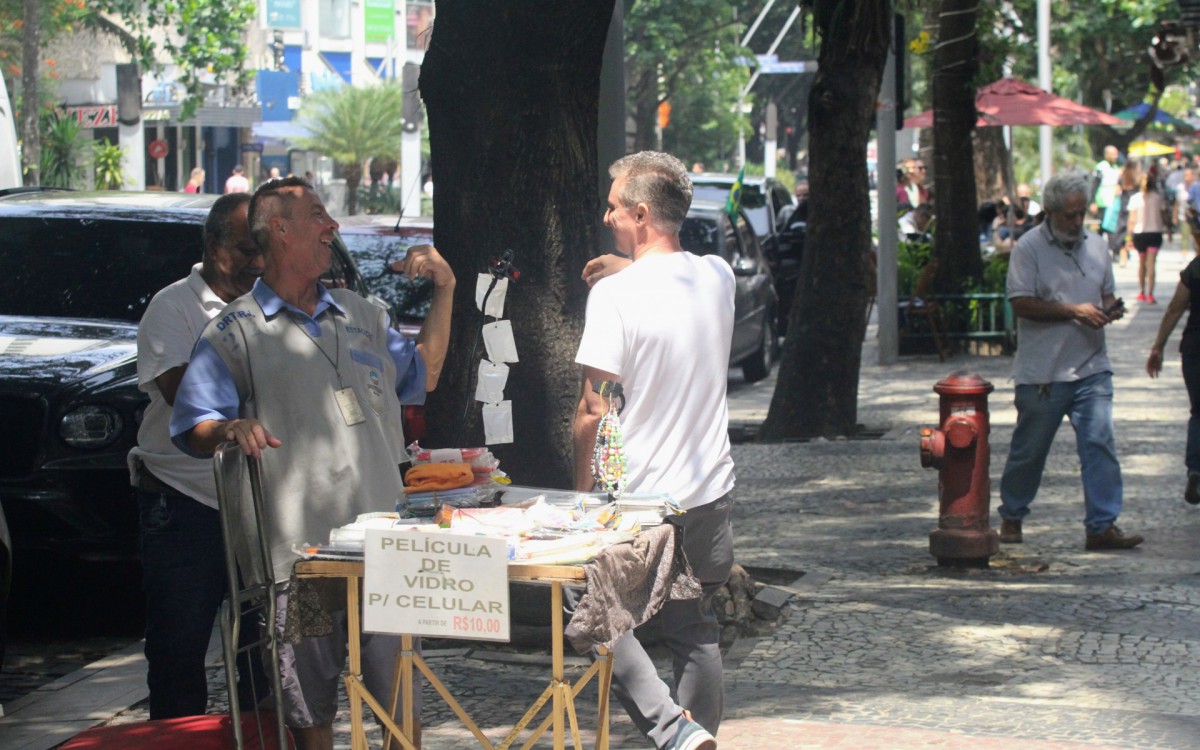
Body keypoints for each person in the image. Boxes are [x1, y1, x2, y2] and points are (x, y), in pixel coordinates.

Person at [170, 177, 455, 750]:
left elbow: (423, 373)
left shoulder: (362, 315)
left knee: (402, 707)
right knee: (309, 714)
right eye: (319, 215)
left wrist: (445, 290)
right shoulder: (235, 332)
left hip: (385, 548)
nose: (333, 226)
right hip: (298, 561)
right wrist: (227, 428)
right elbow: (190, 424)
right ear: (279, 229)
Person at [574, 151, 734, 750]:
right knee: (695, 633)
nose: (607, 214)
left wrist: (580, 497)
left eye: (614, 206)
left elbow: (593, 408)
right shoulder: (719, 274)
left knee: (593, 612)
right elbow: (669, 280)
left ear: (640, 214)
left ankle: (671, 730)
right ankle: (694, 741)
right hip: (710, 492)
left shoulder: (615, 298)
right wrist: (628, 266)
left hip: (640, 505)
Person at [128, 193, 264, 719]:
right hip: (184, 502)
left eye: (262, 250)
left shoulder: (267, 305)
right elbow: (186, 398)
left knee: (264, 651)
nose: (255, 262)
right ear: (211, 245)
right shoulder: (173, 306)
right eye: (243, 249)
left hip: (256, 501)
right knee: (179, 649)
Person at [998, 170, 1144, 551]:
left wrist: (1110, 309)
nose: (1077, 222)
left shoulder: (1095, 246)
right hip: (1044, 372)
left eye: (1082, 214)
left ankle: (1102, 524)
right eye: (1070, 215)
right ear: (1050, 212)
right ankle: (1012, 514)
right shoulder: (1028, 248)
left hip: (1092, 366)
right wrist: (1073, 311)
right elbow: (1021, 303)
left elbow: (1106, 294)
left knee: (1100, 444)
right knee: (1029, 450)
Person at [1146, 256, 1200, 505]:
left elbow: (1175, 308)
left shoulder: (1197, 266)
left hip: (1194, 349)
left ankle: (1196, 470)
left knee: (1199, 412)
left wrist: (1158, 346)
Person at [1126, 166, 1168, 304]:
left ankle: (1141, 292)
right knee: (1152, 264)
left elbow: (1131, 220)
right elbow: (1164, 214)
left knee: (1141, 264)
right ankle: (1151, 293)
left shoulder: (1135, 198)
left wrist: (1128, 238)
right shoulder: (1158, 198)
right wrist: (1168, 229)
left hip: (1140, 234)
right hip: (1155, 233)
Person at [1175, 168, 1195, 260]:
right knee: (1184, 236)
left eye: (1188, 175)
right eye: (1185, 175)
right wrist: (1174, 215)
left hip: (1195, 216)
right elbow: (1177, 202)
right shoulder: (1180, 187)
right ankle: (1184, 254)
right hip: (1183, 216)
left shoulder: (1196, 187)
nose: (1186, 177)